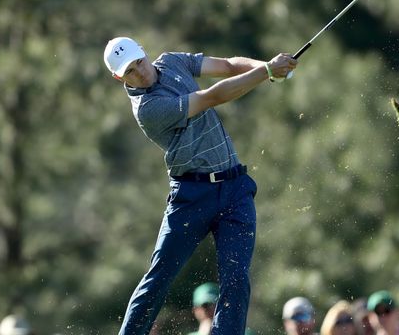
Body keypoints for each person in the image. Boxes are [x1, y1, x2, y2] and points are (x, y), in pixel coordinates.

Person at [105, 36, 297, 335]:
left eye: (139, 62)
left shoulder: (172, 61)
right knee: (159, 278)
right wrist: (267, 72)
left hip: (234, 188)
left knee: (236, 278)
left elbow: (228, 65)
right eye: (129, 70)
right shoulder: (147, 108)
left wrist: (270, 67)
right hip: (191, 197)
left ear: (144, 49)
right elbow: (210, 97)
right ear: (119, 77)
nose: (140, 72)